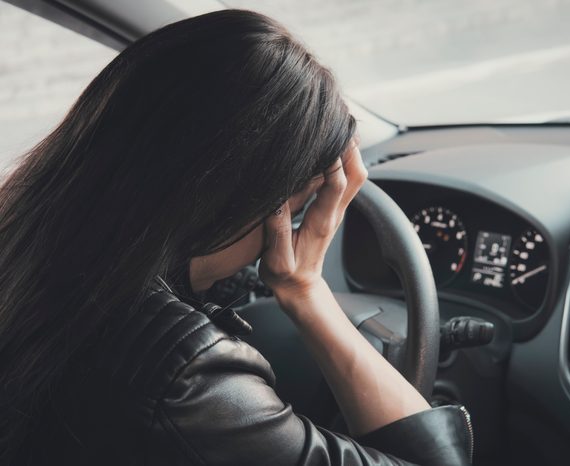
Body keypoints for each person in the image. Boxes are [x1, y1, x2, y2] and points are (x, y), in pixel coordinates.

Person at [0, 9, 472, 465]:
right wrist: (305, 289)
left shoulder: (21, 235)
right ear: (247, 201)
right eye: (300, 210)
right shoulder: (180, 372)